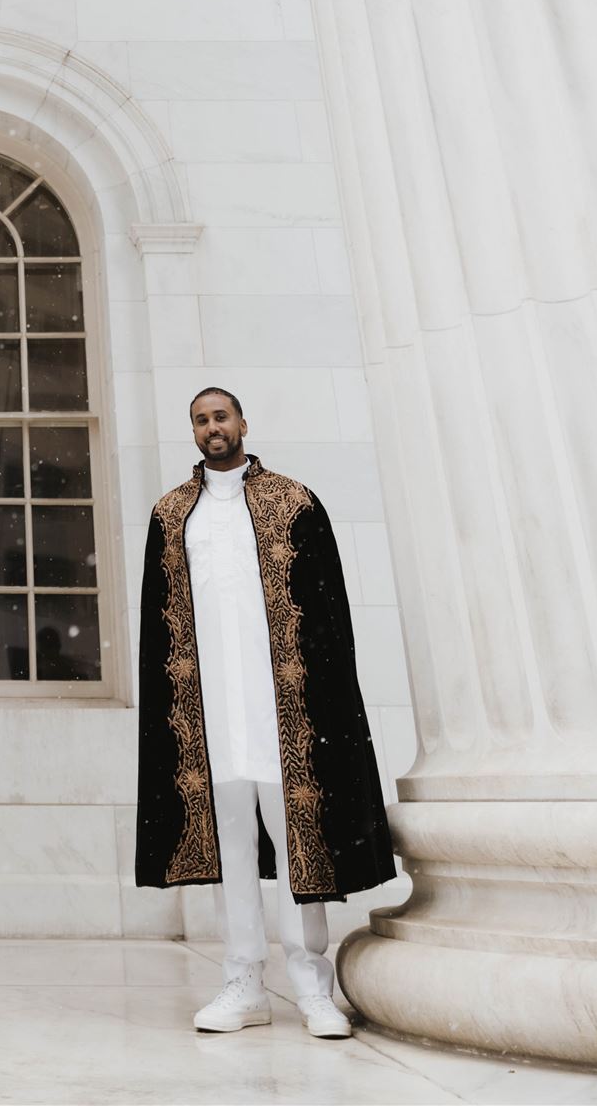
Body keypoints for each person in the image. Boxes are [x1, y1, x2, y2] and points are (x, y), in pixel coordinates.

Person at [136, 387, 394, 1038]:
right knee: (231, 850)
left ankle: (312, 988)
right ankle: (241, 983)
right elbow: (156, 628)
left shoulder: (293, 502)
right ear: (192, 432)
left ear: (242, 423)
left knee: (298, 846)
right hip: (208, 716)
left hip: (286, 713)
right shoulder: (172, 514)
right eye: (199, 420)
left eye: (220, 416)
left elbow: (329, 617)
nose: (211, 427)